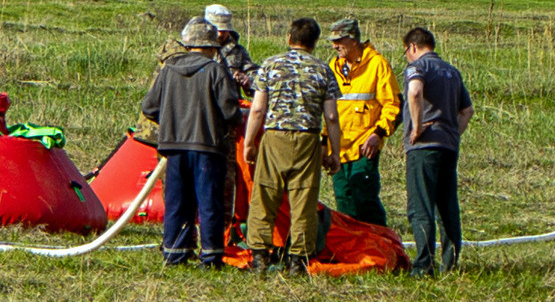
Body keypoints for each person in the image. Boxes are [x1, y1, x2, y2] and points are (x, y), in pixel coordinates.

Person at [140, 18, 246, 267]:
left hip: (173, 148)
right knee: (209, 202)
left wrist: (170, 121)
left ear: (188, 44)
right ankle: (210, 256)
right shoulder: (214, 70)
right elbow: (230, 112)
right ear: (212, 47)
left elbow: (149, 107)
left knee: (177, 201)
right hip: (207, 148)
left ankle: (175, 252)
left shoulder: (168, 70)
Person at [240, 17, 342, 273]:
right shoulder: (323, 70)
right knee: (304, 198)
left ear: (289, 38)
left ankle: (260, 255)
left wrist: (250, 142)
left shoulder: (270, 65)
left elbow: (257, 109)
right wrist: (334, 153)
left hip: (275, 135)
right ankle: (298, 258)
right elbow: (331, 116)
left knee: (264, 194)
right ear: (315, 43)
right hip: (308, 137)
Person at [399, 26, 474, 277]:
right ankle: (450, 264)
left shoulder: (417, 67)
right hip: (448, 145)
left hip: (423, 147)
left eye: (406, 52)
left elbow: (415, 91)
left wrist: (417, 127)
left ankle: (423, 266)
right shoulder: (453, 71)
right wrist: (452, 132)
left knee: (421, 205)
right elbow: (467, 111)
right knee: (447, 206)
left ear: (413, 47)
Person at [326, 18, 400, 227]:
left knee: (365, 201)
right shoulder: (333, 66)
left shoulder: (377, 65)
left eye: (339, 41)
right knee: (344, 202)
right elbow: (326, 108)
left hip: (363, 148)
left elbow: (393, 105)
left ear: (353, 40)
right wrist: (324, 142)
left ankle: (381, 247)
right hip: (337, 149)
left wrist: (378, 134)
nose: (334, 46)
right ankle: (355, 254)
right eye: (333, 41)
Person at [205, 3, 258, 90]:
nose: (220, 34)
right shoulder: (194, 48)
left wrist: (246, 79)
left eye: (224, 30)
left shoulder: (238, 51)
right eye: (217, 29)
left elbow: (255, 75)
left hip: (229, 100)